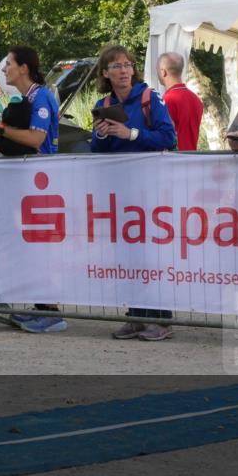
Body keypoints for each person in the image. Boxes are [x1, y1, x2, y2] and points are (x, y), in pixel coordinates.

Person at [90, 45, 177, 342]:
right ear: (105, 73)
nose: (123, 70)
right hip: (120, 189)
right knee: (127, 253)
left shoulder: (149, 97)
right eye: (116, 66)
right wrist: (102, 134)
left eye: (127, 65)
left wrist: (132, 134)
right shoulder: (103, 103)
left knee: (151, 252)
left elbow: (170, 137)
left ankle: (160, 319)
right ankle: (137, 316)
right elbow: (96, 149)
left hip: (151, 188)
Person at [0, 46, 66, 333]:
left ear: (24, 68)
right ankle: (40, 305)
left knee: (41, 246)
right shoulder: (28, 97)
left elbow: (37, 138)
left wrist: (3, 130)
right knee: (30, 245)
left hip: (43, 179)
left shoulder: (42, 96)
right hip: (29, 181)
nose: (4, 69)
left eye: (9, 64)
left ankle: (51, 312)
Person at [157, 52, 203, 151]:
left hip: (174, 159)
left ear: (163, 72)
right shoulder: (195, 99)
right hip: (191, 157)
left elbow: (165, 137)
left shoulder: (168, 99)